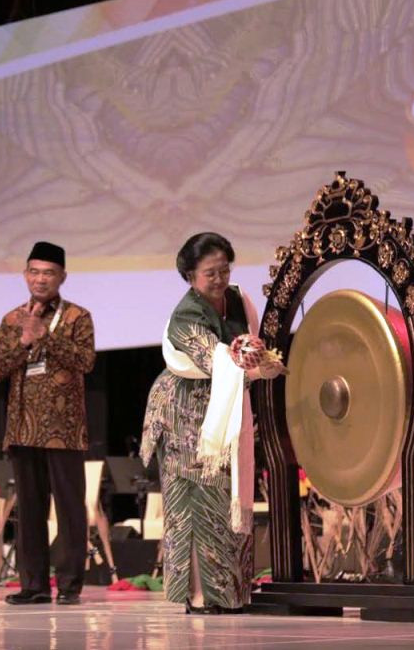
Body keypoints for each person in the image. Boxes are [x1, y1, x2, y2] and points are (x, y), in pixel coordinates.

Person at [140, 232, 286, 614]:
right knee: (195, 503)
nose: (219, 279)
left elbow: (251, 344)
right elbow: (216, 359)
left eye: (223, 270)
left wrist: (264, 360)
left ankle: (231, 593)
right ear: (190, 276)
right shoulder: (185, 315)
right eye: (210, 274)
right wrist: (258, 365)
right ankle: (200, 596)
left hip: (226, 408)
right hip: (183, 415)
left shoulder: (237, 298)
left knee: (226, 498)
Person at [0, 241, 95, 605]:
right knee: (29, 511)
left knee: (69, 509)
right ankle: (33, 585)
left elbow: (85, 361)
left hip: (64, 430)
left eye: (48, 273)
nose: (40, 279)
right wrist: (24, 341)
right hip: (22, 427)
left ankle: (69, 585)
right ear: (25, 275)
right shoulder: (12, 319)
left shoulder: (78, 316)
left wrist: (46, 337)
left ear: (62, 276)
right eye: (34, 271)